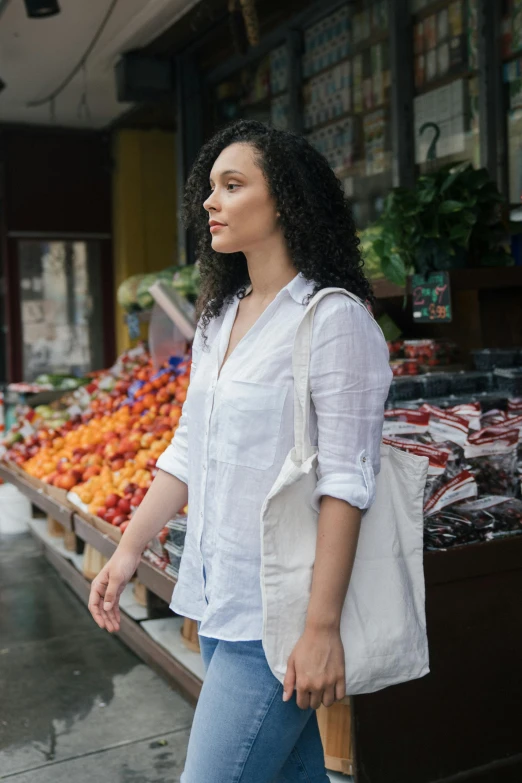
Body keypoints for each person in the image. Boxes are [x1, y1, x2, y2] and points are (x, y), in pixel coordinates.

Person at [88, 119, 392, 782]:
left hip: (282, 615)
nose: (210, 202)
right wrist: (128, 549)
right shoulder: (221, 317)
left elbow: (347, 480)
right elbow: (189, 447)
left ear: (282, 199)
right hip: (222, 599)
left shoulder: (333, 318)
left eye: (232, 185)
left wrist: (320, 628)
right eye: (210, 187)